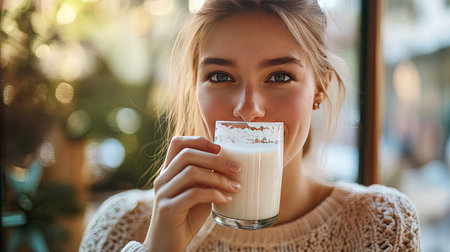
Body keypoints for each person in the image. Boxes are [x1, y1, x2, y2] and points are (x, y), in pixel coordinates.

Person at [80, 0, 420, 251]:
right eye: (220, 76)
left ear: (319, 89)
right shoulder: (122, 226)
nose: (248, 110)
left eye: (280, 76)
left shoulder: (379, 226)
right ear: (195, 87)